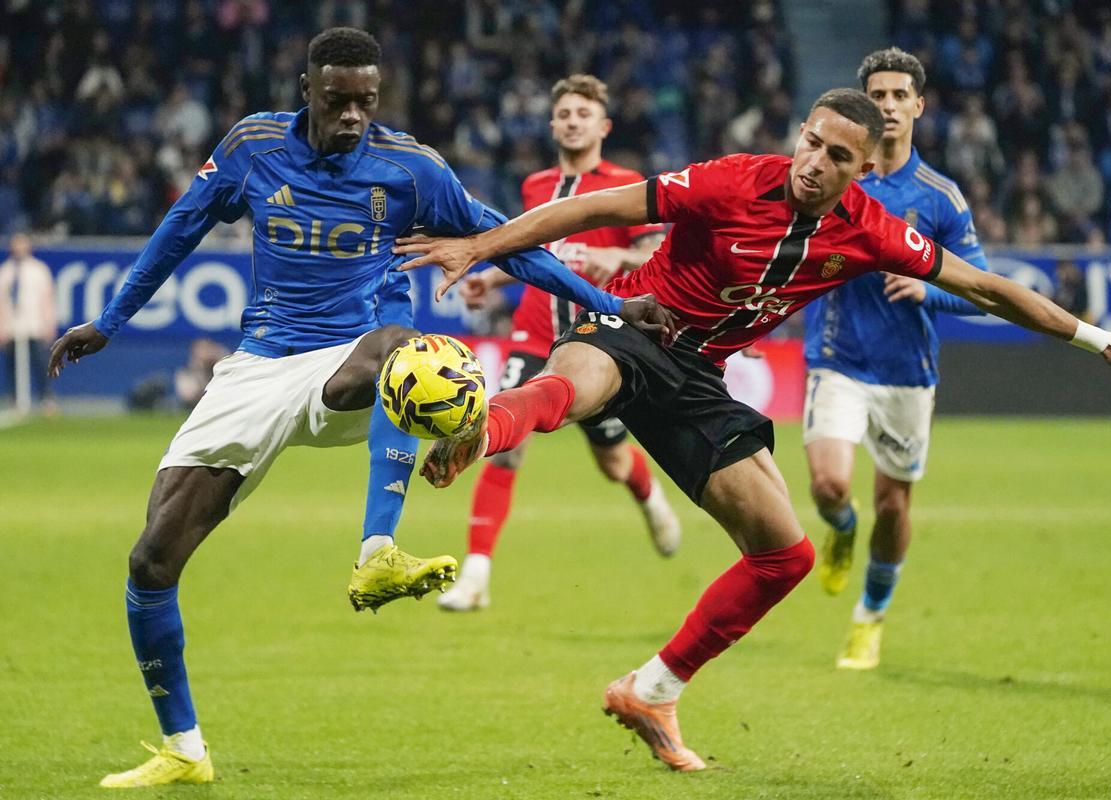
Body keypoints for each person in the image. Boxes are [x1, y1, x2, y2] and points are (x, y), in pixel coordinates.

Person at [393, 88, 1111, 771]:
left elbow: (983, 286)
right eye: (810, 142)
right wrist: (481, 245)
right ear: (799, 135)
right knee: (574, 383)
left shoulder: (872, 230)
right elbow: (595, 207)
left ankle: (652, 690)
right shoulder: (733, 180)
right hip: (637, 326)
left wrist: (1097, 338)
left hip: (699, 384)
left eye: (837, 156)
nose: (814, 162)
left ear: (862, 169)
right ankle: (481, 430)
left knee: (786, 556)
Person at [46, 28, 669, 788]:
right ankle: (184, 747)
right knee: (151, 561)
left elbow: (510, 242)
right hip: (258, 368)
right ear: (306, 90)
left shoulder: (410, 168)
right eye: (337, 100)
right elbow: (180, 229)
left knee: (407, 349)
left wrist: (612, 305)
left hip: (354, 362)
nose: (351, 116)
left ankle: (378, 550)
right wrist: (110, 321)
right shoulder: (252, 147)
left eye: (365, 102)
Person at [439, 74, 680, 612]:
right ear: (552, 124)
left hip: (597, 344)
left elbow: (658, 256)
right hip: (533, 335)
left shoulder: (627, 183)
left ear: (604, 126)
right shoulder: (535, 186)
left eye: (583, 114)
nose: (573, 122)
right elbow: (537, 257)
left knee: (613, 462)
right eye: (565, 113)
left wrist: (619, 257)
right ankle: (476, 575)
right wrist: (490, 278)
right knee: (503, 444)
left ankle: (647, 494)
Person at [803, 47, 989, 670]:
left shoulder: (940, 197)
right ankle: (841, 527)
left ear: (918, 106)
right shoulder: (834, 172)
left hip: (907, 371)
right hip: (836, 356)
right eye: (877, 95)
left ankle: (870, 615)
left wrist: (927, 288)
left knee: (893, 504)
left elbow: (981, 287)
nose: (887, 105)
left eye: (898, 95)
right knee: (829, 484)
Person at [0, 233, 57, 414]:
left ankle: (46, 398)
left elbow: (47, 299)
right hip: (11, 326)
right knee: (12, 366)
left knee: (40, 363)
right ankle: (15, 399)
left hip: (34, 324)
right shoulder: (5, 271)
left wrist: (49, 324)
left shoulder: (39, 270)